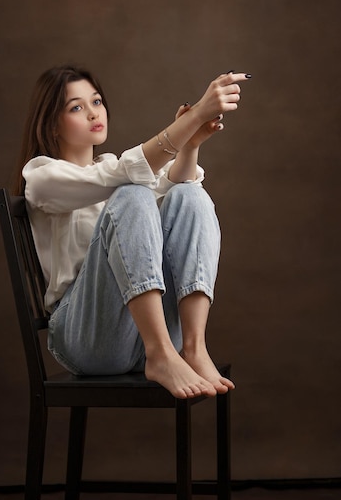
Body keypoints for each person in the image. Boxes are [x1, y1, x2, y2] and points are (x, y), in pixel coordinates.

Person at [13, 65, 251, 399]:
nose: (94, 113)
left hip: (139, 334)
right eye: (76, 107)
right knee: (132, 193)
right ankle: (162, 353)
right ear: (52, 124)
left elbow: (170, 185)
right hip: (88, 339)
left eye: (96, 101)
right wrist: (193, 115)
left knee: (189, 194)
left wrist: (190, 142)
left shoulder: (109, 166)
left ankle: (193, 348)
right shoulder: (43, 176)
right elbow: (125, 176)